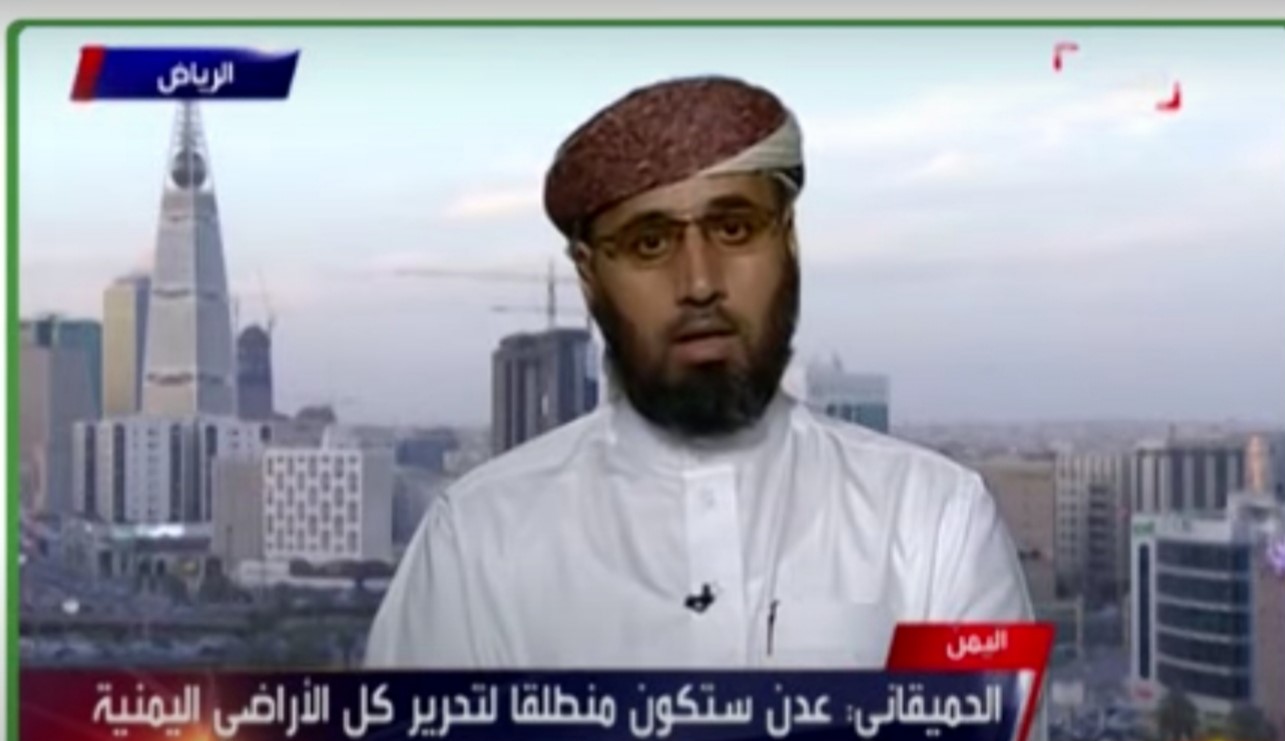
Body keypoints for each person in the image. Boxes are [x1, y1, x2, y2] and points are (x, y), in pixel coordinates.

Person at [366, 76, 1037, 673]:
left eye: (735, 229)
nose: (699, 282)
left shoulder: (935, 523)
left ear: (789, 240)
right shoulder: (476, 545)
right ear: (589, 276)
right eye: (650, 242)